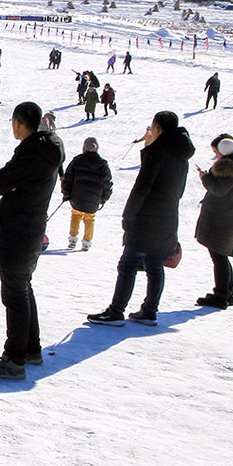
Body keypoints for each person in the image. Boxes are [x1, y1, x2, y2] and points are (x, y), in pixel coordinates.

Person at [0, 102, 65, 380]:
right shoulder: (48, 147)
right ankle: (30, 349)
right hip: (31, 227)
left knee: (14, 294)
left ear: (18, 123)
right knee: (23, 288)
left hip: (20, 229)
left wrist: (7, 179)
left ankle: (14, 359)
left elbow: (0, 183)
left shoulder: (31, 152)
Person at [89, 111, 195, 327]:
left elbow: (142, 188)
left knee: (128, 263)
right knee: (155, 264)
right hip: (168, 217)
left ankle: (116, 311)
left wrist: (128, 215)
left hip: (147, 217)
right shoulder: (182, 156)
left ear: (157, 129)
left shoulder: (157, 153)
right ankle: (149, 311)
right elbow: (180, 191)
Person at [194, 136, 233, 308]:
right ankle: (227, 291)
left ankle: (221, 295)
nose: (215, 156)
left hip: (223, 218)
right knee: (221, 255)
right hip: (228, 216)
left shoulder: (229, 168)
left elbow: (219, 189)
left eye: (215, 152)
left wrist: (205, 178)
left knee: (218, 255)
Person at [62, 137, 113, 251]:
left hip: (77, 196)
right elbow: (107, 183)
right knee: (89, 219)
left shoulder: (77, 161)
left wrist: (66, 193)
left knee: (76, 215)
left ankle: (73, 239)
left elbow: (68, 178)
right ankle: (87, 242)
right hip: (93, 198)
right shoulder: (102, 164)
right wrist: (104, 198)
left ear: (84, 147)